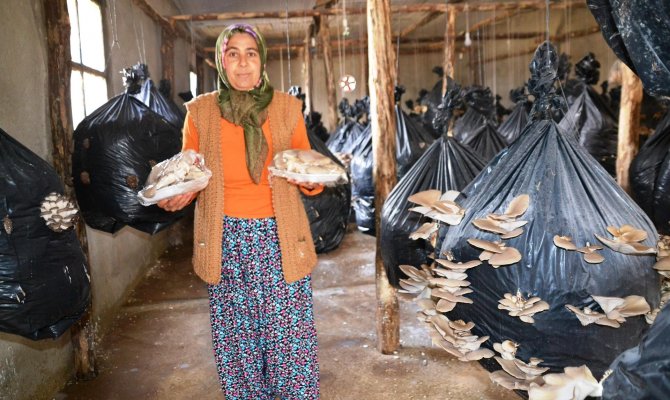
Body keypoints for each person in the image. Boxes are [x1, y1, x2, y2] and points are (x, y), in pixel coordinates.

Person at [158, 23, 321, 399]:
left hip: (280, 237)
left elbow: (307, 168)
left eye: (251, 54)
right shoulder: (200, 113)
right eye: (233, 54)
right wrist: (177, 195)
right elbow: (189, 172)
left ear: (262, 60)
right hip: (225, 239)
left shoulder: (286, 108)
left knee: (289, 337)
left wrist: (312, 179)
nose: (243, 63)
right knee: (238, 340)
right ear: (221, 62)